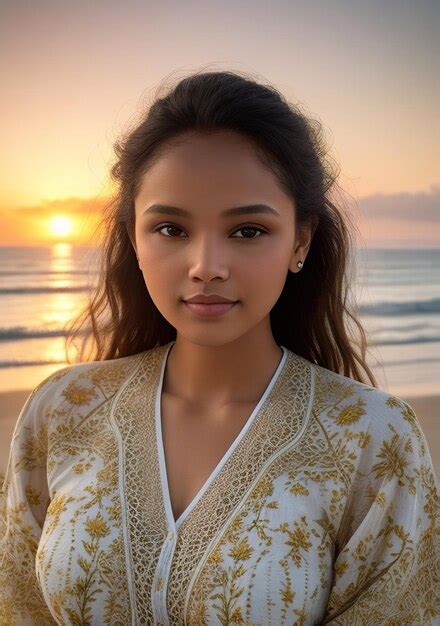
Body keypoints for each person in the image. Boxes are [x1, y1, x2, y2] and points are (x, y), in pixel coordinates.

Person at [1, 69, 439, 625]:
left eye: (248, 230)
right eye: (170, 229)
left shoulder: (374, 439)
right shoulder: (63, 410)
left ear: (300, 240)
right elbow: (17, 607)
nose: (206, 266)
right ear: (134, 237)